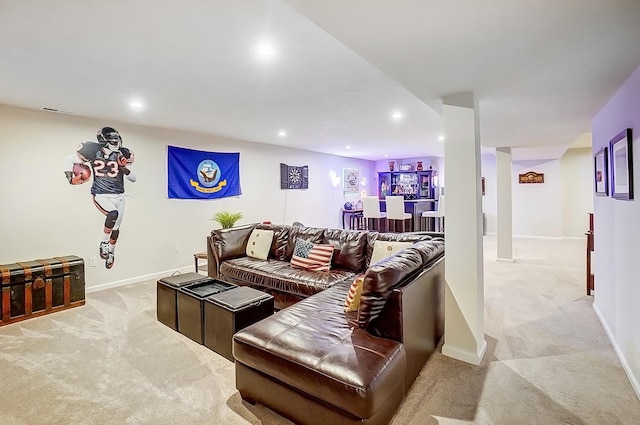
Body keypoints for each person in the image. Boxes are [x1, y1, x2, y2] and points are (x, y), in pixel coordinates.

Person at [63, 127, 136, 269]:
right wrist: (69, 176)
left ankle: (112, 251)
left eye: (116, 139)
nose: (115, 143)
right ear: (103, 141)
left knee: (116, 227)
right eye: (112, 140)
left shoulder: (122, 153)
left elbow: (133, 178)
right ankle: (103, 242)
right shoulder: (92, 150)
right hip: (101, 193)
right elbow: (68, 160)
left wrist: (124, 168)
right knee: (112, 214)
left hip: (119, 194)